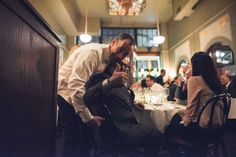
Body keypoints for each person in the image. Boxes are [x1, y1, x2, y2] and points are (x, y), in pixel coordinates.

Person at [57, 33, 135, 157]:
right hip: (66, 94)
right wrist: (88, 118)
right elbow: (75, 85)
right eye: (120, 50)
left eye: (125, 54)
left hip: (80, 95)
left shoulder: (110, 60)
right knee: (73, 138)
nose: (121, 56)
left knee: (84, 138)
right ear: (113, 42)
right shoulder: (93, 53)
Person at [84, 62, 163, 157]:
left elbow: (122, 96)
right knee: (156, 135)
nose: (124, 69)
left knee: (152, 129)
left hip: (125, 123)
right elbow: (88, 97)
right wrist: (110, 82)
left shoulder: (118, 80)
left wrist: (133, 103)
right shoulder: (101, 78)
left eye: (125, 67)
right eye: (121, 65)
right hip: (118, 127)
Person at [165, 52, 223, 142]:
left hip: (201, 131)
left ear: (196, 66)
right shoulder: (214, 80)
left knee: (168, 122)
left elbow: (191, 111)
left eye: (191, 65)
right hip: (217, 130)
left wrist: (184, 121)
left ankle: (181, 151)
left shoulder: (194, 80)